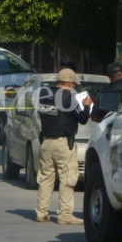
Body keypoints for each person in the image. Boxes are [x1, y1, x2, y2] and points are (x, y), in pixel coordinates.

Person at [36, 68, 93, 225]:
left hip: (46, 141)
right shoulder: (68, 97)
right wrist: (87, 106)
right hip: (63, 142)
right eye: (73, 84)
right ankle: (65, 215)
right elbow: (82, 119)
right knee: (68, 178)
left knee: (46, 178)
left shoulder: (45, 95)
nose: (74, 87)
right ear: (69, 82)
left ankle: (42, 212)